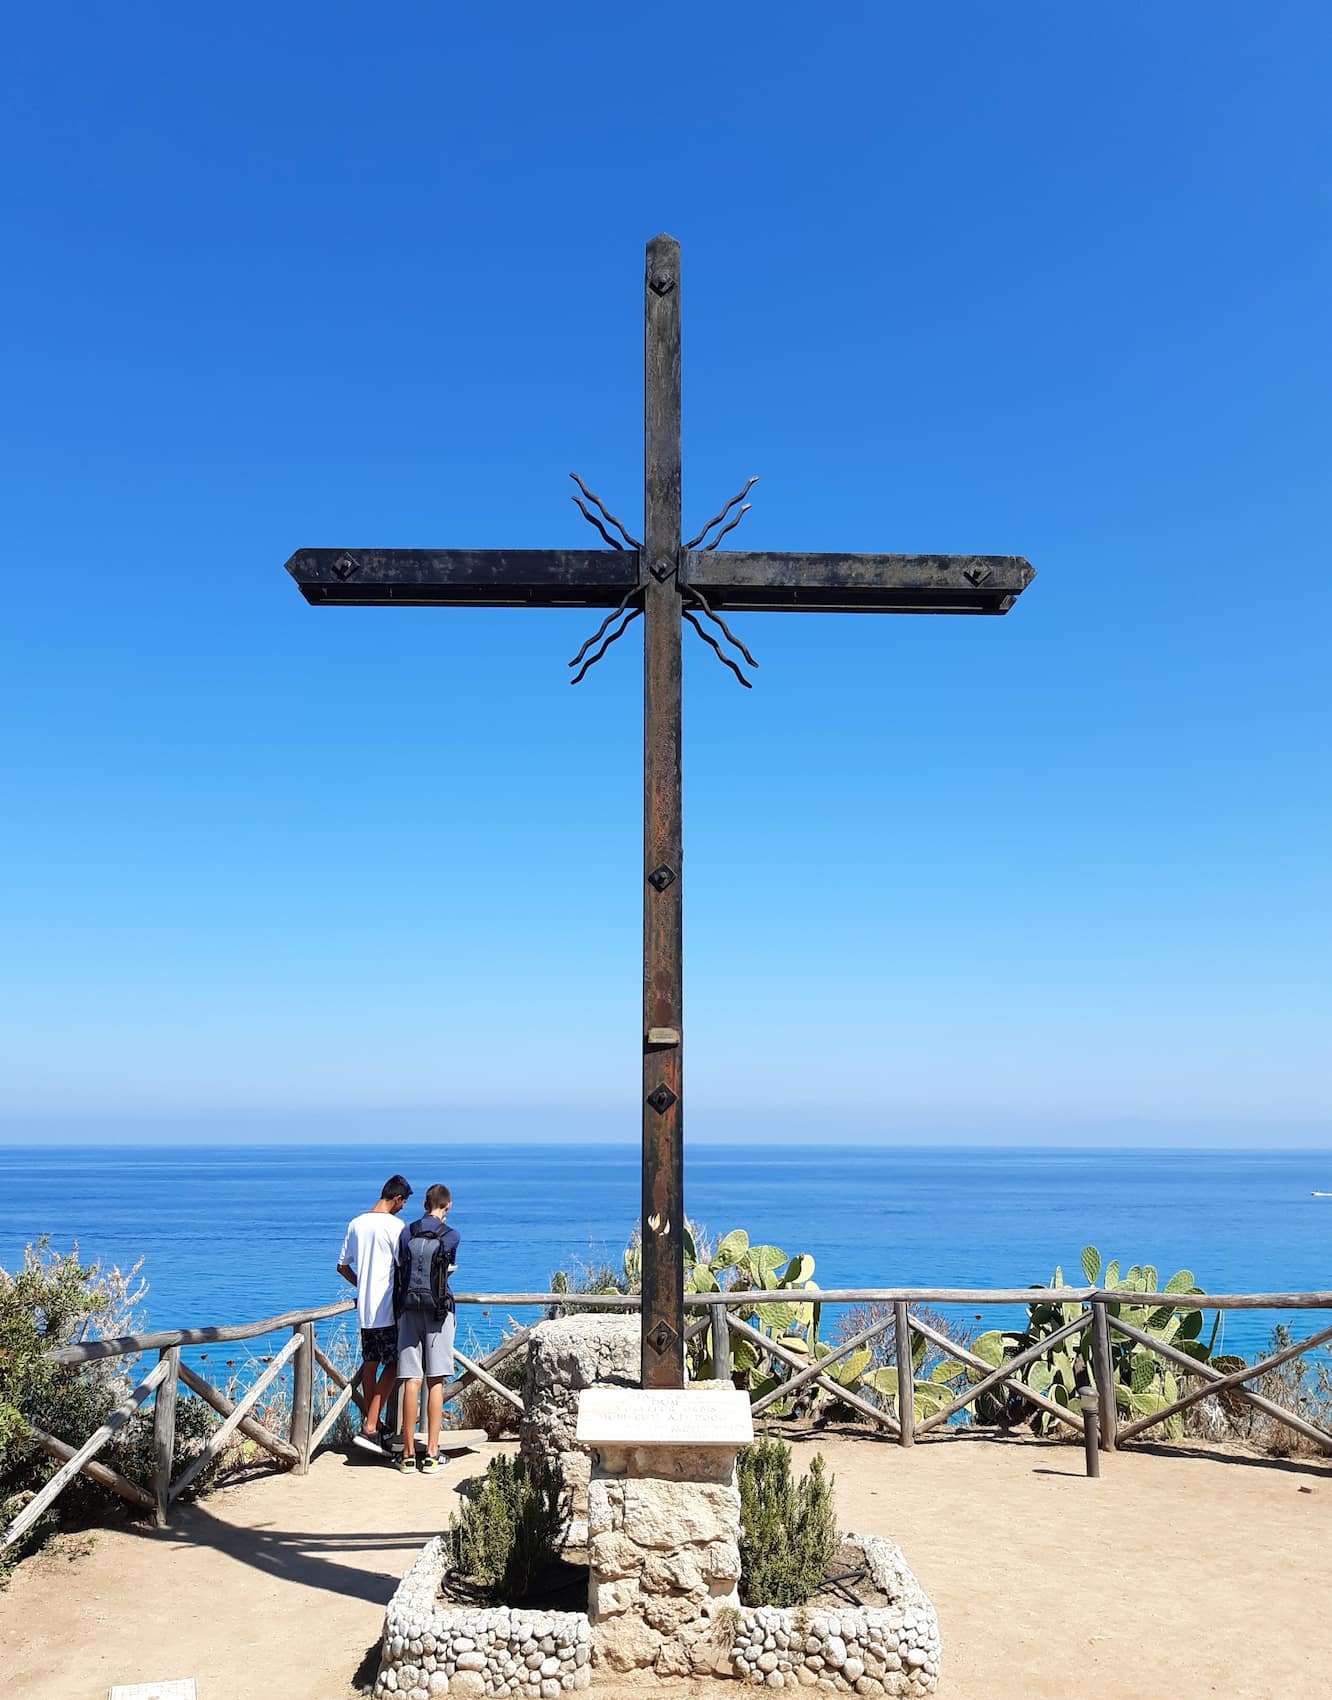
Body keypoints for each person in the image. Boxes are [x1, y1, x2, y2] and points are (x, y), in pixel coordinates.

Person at [337, 1173, 412, 1454]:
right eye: (403, 1202)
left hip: (364, 1309)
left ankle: (373, 1426)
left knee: (370, 1365)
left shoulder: (356, 1223)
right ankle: (370, 1426)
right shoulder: (395, 1226)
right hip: (387, 1307)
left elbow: (342, 1266)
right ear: (396, 1199)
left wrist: (362, 1284)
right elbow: (403, 1266)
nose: (403, 1207)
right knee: (394, 1366)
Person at [394, 1182, 459, 1475]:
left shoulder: (407, 1232)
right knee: (435, 1382)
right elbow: (448, 1271)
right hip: (438, 1313)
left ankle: (408, 1455)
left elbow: (400, 1266)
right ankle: (432, 1453)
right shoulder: (452, 1236)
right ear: (448, 1206)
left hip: (408, 1310)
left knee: (411, 1380)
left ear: (424, 1204)